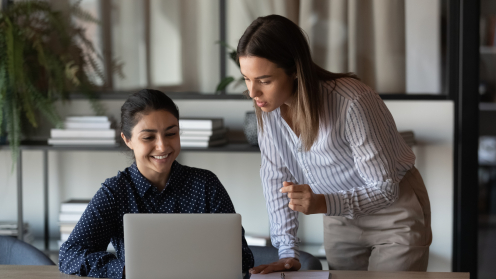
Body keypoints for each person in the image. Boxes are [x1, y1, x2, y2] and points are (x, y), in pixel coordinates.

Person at [238, 15, 432, 275]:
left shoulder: (352, 101)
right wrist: (287, 252)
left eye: (264, 80)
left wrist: (322, 204)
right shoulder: (268, 112)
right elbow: (276, 181)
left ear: (295, 69)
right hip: (339, 220)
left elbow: (386, 189)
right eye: (246, 79)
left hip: (393, 213)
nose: (253, 93)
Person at [58, 89, 254, 278]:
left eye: (171, 133)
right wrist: (128, 268)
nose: (162, 146)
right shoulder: (116, 192)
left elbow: (243, 258)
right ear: (127, 140)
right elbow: (69, 256)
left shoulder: (206, 185)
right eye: (148, 137)